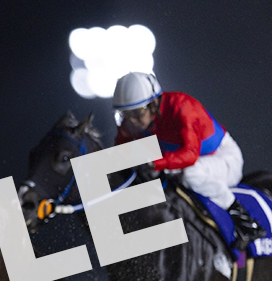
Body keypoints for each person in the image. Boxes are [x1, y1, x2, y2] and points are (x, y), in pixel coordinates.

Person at [112, 71, 265, 248]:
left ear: (154, 103)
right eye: (126, 114)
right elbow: (120, 155)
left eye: (137, 113)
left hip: (222, 158)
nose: (132, 121)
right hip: (182, 163)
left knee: (191, 174)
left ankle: (243, 219)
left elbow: (190, 155)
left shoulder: (183, 106)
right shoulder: (133, 123)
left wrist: (154, 163)